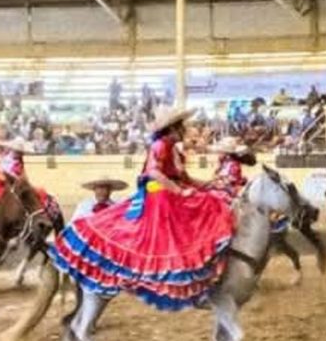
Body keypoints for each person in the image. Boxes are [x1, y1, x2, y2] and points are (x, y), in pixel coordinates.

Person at [49, 107, 235, 311]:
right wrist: (180, 192)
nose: (185, 130)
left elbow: (185, 178)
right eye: (181, 127)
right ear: (173, 129)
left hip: (172, 190)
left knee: (210, 200)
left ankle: (206, 268)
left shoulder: (173, 149)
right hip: (160, 193)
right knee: (206, 206)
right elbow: (154, 173)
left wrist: (207, 184)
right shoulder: (159, 145)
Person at [0, 137, 62, 220]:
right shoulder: (7, 155)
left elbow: (18, 177)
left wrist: (10, 177)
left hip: (10, 183)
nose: (19, 153)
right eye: (17, 151)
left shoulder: (17, 162)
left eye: (20, 152)